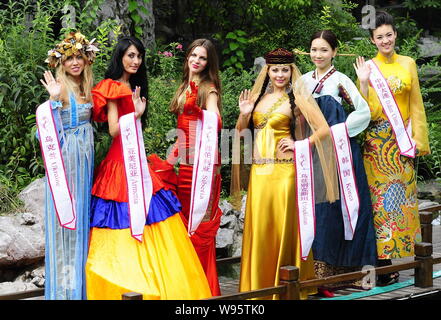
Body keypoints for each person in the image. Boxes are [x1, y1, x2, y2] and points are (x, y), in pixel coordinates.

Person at [84, 36, 212, 299]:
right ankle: (126, 280)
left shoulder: (136, 86)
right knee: (123, 218)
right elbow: (113, 130)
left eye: (139, 56)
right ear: (120, 56)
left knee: (153, 217)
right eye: (130, 55)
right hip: (119, 164)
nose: (135, 61)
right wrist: (136, 115)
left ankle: (158, 279)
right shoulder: (113, 87)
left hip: (138, 161)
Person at [232, 48, 339, 300]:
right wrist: (244, 114)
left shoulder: (298, 97)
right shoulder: (257, 98)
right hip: (260, 173)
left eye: (285, 70)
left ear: (291, 71)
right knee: (262, 229)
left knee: (283, 229)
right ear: (267, 71)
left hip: (284, 173)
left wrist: (300, 144)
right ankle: (259, 287)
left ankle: (289, 285)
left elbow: (324, 129)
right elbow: (239, 133)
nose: (280, 74)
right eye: (275, 69)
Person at [299, 30, 377, 295]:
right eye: (314, 49)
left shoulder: (341, 80)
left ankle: (351, 272)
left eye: (323, 50)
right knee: (318, 209)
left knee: (341, 207)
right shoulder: (302, 82)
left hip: (339, 152)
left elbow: (362, 110)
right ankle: (316, 273)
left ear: (333, 52)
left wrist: (337, 131)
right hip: (312, 154)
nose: (318, 55)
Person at [354, 11, 430, 285]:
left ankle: (402, 255)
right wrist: (362, 82)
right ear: (373, 40)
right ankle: (382, 264)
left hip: (402, 142)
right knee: (379, 202)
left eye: (389, 35)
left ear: (395, 35)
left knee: (402, 202)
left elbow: (416, 103)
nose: (385, 40)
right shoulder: (369, 67)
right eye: (379, 37)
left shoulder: (408, 63)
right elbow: (366, 111)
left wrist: (419, 141)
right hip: (377, 143)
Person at [149, 38, 223, 296]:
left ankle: (203, 286)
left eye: (202, 58)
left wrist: (204, 113)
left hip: (201, 162)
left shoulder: (208, 88)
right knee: (183, 218)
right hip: (184, 159)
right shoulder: (185, 85)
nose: (196, 60)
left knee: (198, 220)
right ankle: (186, 281)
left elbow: (215, 118)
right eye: (193, 55)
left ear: (208, 63)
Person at [38, 31, 98, 299]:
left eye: (79, 57)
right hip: (65, 164)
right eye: (70, 58)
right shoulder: (60, 88)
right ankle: (64, 291)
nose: (75, 62)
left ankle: (80, 289)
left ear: (86, 60)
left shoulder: (87, 88)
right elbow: (44, 132)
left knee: (81, 219)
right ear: (61, 62)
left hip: (84, 164)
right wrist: (52, 100)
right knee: (65, 222)